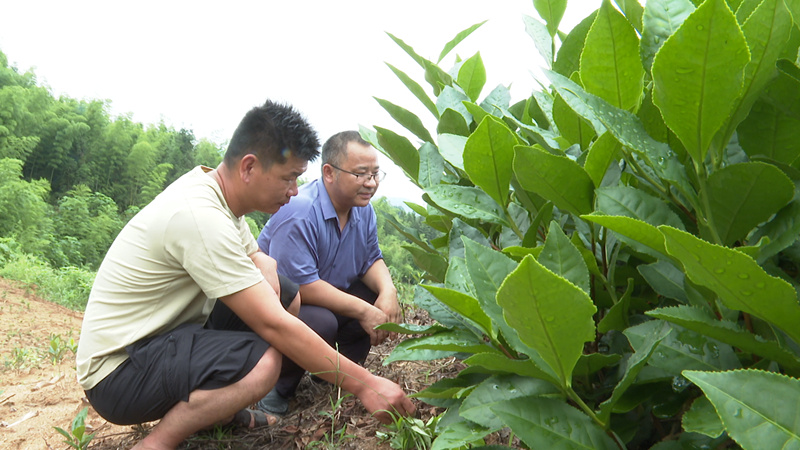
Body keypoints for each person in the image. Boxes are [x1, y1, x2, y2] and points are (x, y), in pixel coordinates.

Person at [75, 102, 414, 450]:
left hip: (164, 339)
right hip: (118, 372)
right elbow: (275, 326)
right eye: (288, 178)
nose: (294, 190)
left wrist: (262, 262)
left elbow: (258, 259)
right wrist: (366, 384)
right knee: (265, 364)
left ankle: (220, 410)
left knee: (285, 293)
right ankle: (158, 443)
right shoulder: (200, 216)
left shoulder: (217, 194)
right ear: (249, 167)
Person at [255, 130, 401, 417]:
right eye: (361, 174)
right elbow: (300, 286)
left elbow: (371, 258)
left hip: (326, 297)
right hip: (277, 306)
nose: (371, 183)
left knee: (371, 296)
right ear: (329, 172)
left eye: (375, 173)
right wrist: (363, 311)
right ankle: (277, 386)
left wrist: (388, 291)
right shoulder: (299, 210)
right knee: (320, 320)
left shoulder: (364, 211)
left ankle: (331, 374)